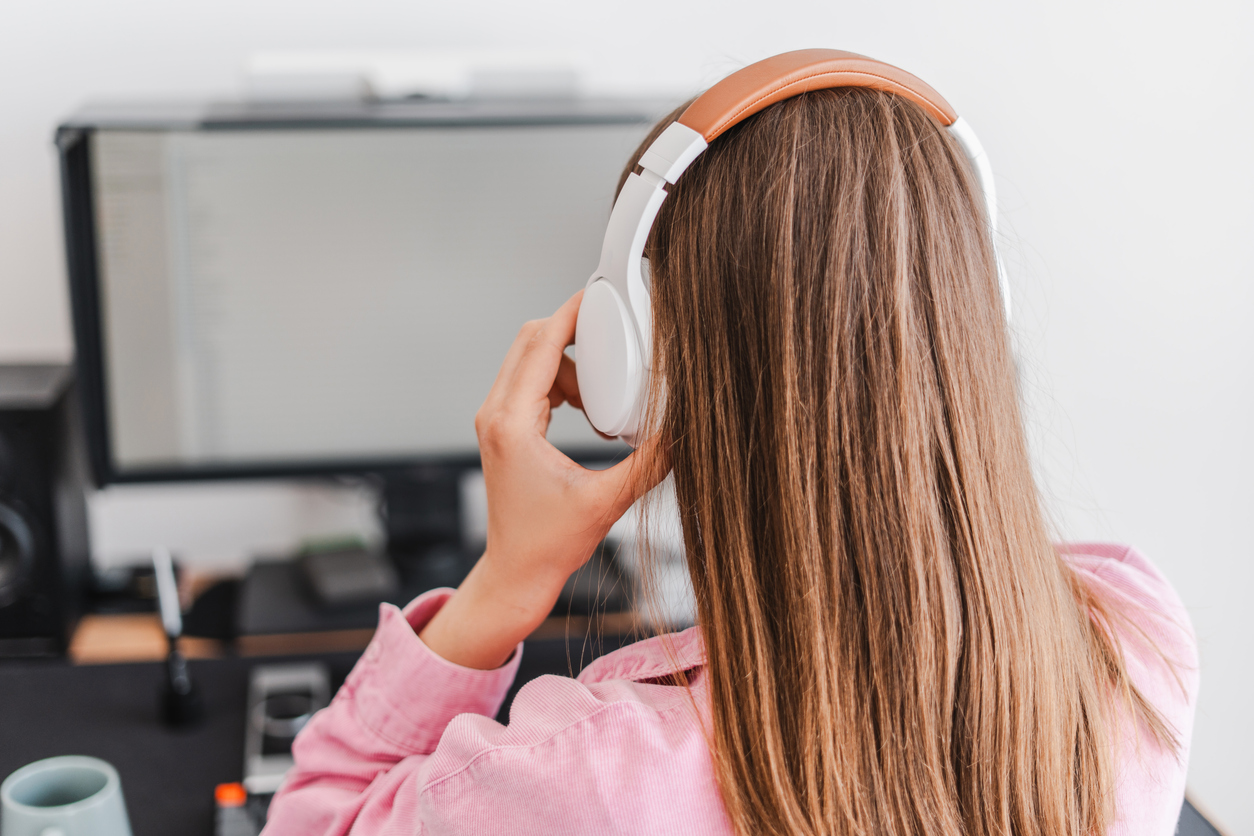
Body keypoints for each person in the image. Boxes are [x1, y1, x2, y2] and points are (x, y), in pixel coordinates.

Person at [262, 70, 1197, 836]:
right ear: (972, 318)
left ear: (640, 369)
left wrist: (507, 581)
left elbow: (314, 824)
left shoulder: (586, 783)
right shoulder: (1138, 651)